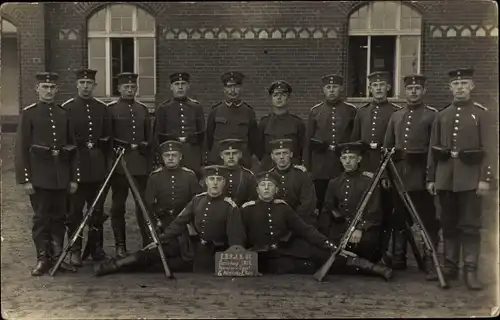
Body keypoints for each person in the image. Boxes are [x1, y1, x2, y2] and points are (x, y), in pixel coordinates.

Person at [241, 171, 392, 280]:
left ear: (276, 190)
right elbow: (240, 236)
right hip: (265, 256)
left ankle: (374, 269)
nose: (266, 188)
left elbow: (306, 230)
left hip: (288, 247)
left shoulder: (283, 207)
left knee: (329, 257)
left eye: (270, 185)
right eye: (263, 185)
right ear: (257, 190)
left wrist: (330, 245)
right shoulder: (247, 209)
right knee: (308, 267)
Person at [427, 67, 495, 290]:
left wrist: (485, 178)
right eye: (456, 85)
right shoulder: (442, 115)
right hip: (446, 178)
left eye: (464, 84)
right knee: (448, 224)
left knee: (471, 226)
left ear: (471, 87)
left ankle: (470, 269)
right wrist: (431, 177)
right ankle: (450, 266)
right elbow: (433, 148)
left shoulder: (481, 113)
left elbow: (490, 149)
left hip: (470, 180)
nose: (460, 88)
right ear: (450, 88)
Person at [93, 140, 201, 277]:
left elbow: (198, 203)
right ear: (162, 158)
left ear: (180, 157)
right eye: (167, 155)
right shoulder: (155, 177)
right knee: (157, 256)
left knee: (173, 261)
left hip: (185, 226)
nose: (171, 158)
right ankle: (114, 266)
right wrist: (156, 224)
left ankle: (118, 265)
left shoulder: (190, 176)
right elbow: (148, 206)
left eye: (174, 155)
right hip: (164, 224)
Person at [15, 72, 78, 276]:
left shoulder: (63, 113)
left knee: (59, 217)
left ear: (57, 90)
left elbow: (72, 146)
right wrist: (25, 179)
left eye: (52, 88)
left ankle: (58, 258)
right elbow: (21, 148)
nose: (48, 91)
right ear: (37, 89)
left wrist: (73, 178)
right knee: (41, 219)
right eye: (45, 87)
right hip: (40, 177)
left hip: (60, 176)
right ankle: (43, 259)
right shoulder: (29, 113)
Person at [383, 74, 440, 278]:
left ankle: (429, 258)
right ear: (404, 91)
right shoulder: (396, 116)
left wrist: (430, 177)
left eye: (417, 88)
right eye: (410, 89)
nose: (413, 92)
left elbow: (434, 150)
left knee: (426, 220)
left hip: (421, 177)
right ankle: (399, 257)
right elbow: (387, 149)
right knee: (399, 219)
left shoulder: (432, 115)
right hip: (399, 177)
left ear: (424, 91)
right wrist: (387, 176)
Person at [350, 71, 402, 264]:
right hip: (365, 167)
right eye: (374, 86)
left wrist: (388, 173)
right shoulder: (362, 112)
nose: (378, 89)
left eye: (382, 85)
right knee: (366, 210)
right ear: (369, 89)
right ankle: (368, 250)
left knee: (387, 211)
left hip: (386, 168)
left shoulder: (395, 112)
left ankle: (386, 251)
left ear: (388, 87)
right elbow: (355, 143)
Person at [62, 68, 111, 266]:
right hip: (77, 167)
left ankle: (96, 248)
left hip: (97, 168)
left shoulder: (102, 108)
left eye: (89, 83)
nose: (85, 86)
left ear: (94, 85)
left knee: (97, 211)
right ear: (76, 84)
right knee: (74, 212)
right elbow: (65, 143)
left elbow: (108, 141)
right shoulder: (67, 108)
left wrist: (107, 167)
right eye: (82, 83)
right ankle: (75, 249)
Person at [107, 72, 153, 257]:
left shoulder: (142, 110)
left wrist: (148, 163)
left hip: (140, 166)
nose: (129, 90)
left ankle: (147, 243)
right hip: (120, 166)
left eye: (133, 87)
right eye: (126, 87)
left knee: (143, 205)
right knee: (118, 206)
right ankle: (120, 245)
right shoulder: (111, 110)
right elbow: (109, 140)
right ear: (119, 89)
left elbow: (149, 140)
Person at [318, 141, 384, 264]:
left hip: (363, 232)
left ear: (359, 159)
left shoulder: (369, 182)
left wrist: (360, 229)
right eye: (344, 158)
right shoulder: (334, 182)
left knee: (365, 249)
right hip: (340, 230)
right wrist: (327, 235)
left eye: (351, 158)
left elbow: (374, 212)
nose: (347, 161)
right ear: (340, 160)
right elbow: (327, 210)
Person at [303, 74, 357, 214]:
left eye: (335, 87)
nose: (332, 90)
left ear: (342, 89)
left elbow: (355, 138)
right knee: (320, 202)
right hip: (320, 166)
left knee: (342, 201)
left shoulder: (350, 110)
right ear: (323, 90)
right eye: (328, 87)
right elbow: (308, 141)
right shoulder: (315, 111)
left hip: (342, 165)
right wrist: (308, 167)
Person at [153, 72, 206, 177]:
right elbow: (157, 135)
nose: (180, 87)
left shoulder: (196, 107)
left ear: (188, 86)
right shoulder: (164, 108)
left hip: (192, 154)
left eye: (183, 84)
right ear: (171, 87)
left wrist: (203, 160)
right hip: (171, 155)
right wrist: (159, 159)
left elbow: (203, 135)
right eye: (177, 84)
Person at [206, 71, 258, 169]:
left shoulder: (248, 112)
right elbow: (209, 138)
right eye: (229, 87)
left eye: (236, 87)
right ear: (224, 89)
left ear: (241, 89)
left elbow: (253, 140)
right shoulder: (215, 111)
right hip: (218, 160)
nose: (233, 90)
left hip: (241, 161)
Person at [257, 80, 305, 171]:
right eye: (275, 95)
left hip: (292, 168)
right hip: (269, 167)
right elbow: (258, 148)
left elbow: (303, 147)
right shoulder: (264, 123)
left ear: (288, 98)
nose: (279, 98)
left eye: (283, 95)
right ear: (271, 98)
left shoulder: (297, 123)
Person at [267, 139, 317, 226]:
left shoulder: (302, 175)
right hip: (276, 223)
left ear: (291, 154)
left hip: (300, 222)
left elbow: (308, 204)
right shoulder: (268, 176)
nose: (281, 157)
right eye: (277, 154)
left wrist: (292, 220)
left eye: (285, 153)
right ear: (272, 156)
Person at [214, 138, 258, 206]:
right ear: (221, 155)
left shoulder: (248, 176)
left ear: (240, 155)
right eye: (227, 154)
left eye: (234, 153)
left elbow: (253, 200)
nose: (231, 157)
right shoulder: (213, 175)